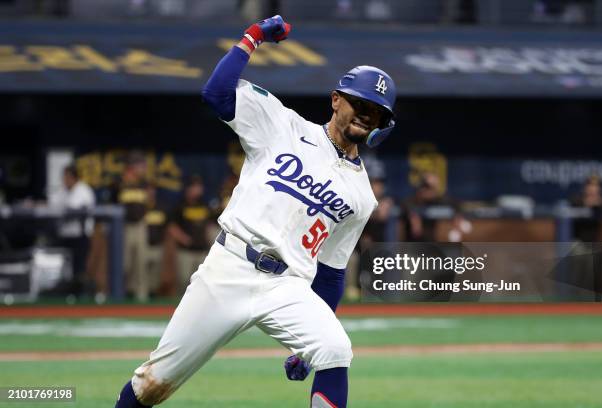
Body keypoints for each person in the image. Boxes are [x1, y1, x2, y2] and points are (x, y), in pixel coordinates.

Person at [114, 15, 396, 408]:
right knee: (153, 384)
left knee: (334, 348)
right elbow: (216, 94)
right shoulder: (282, 125)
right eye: (360, 103)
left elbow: (330, 273)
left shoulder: (362, 195)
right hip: (228, 267)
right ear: (336, 99)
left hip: (287, 285)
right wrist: (254, 36)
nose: (367, 114)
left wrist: (303, 350)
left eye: (377, 111)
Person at [49, 164, 96, 296]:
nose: (64, 179)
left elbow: (74, 210)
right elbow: (51, 204)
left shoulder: (83, 190)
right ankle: (64, 293)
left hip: (80, 236)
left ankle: (81, 296)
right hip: (65, 235)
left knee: (79, 269)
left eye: (67, 176)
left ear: (73, 177)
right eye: (64, 176)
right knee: (62, 268)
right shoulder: (62, 191)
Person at [168, 175, 214, 293]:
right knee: (184, 281)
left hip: (201, 250)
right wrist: (183, 238)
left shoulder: (204, 205)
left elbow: (209, 224)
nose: (198, 189)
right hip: (186, 251)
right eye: (195, 187)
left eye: (199, 186)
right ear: (188, 189)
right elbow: (172, 227)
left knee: (202, 282)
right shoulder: (181, 205)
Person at [117, 151, 150, 302]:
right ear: (131, 167)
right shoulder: (119, 184)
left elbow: (148, 204)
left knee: (141, 261)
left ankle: (141, 294)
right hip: (124, 226)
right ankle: (121, 292)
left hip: (140, 225)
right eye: (140, 165)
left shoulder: (144, 184)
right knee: (125, 262)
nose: (143, 168)